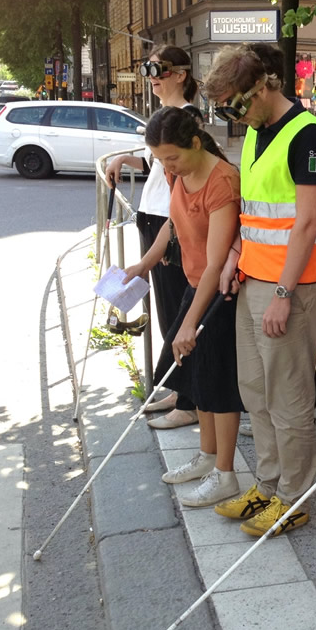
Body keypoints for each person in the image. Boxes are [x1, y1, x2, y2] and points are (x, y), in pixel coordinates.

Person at [205, 43, 316, 537]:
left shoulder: (310, 138)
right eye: (225, 110)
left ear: (265, 86)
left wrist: (283, 293)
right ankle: (267, 481)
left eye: (237, 105)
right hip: (254, 279)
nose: (234, 117)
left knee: (289, 398)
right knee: (255, 393)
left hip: (292, 289)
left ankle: (292, 497)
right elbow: (256, 213)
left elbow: (304, 225)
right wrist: (237, 259)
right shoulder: (258, 132)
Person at [123, 106, 244, 506]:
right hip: (195, 284)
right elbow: (172, 224)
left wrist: (189, 323)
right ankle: (207, 456)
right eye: (160, 159)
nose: (166, 166)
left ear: (195, 142)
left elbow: (216, 261)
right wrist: (144, 263)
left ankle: (226, 473)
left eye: (171, 157)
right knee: (198, 383)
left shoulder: (222, 181)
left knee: (219, 385)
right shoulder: (181, 173)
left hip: (220, 293)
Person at [106, 45, 202, 431]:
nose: (152, 76)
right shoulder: (166, 116)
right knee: (166, 311)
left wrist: (172, 232)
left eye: (159, 69)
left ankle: (192, 400)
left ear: (180, 74)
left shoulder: (187, 118)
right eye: (148, 70)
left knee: (180, 314)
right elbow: (154, 165)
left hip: (170, 224)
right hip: (155, 219)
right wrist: (122, 159)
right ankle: (181, 390)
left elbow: (182, 179)